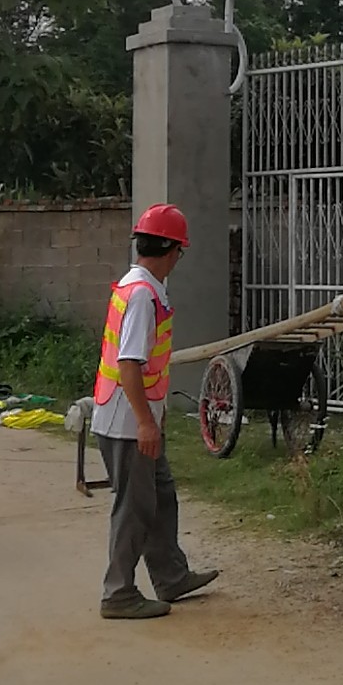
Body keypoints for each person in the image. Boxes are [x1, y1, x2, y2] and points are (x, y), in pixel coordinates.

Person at [91, 204, 219, 620]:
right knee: (135, 505)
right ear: (171, 250)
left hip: (134, 416)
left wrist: (154, 416)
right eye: (180, 251)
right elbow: (129, 363)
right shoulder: (144, 295)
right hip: (127, 422)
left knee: (161, 495)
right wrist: (146, 422)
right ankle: (119, 593)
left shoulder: (137, 286)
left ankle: (171, 576)